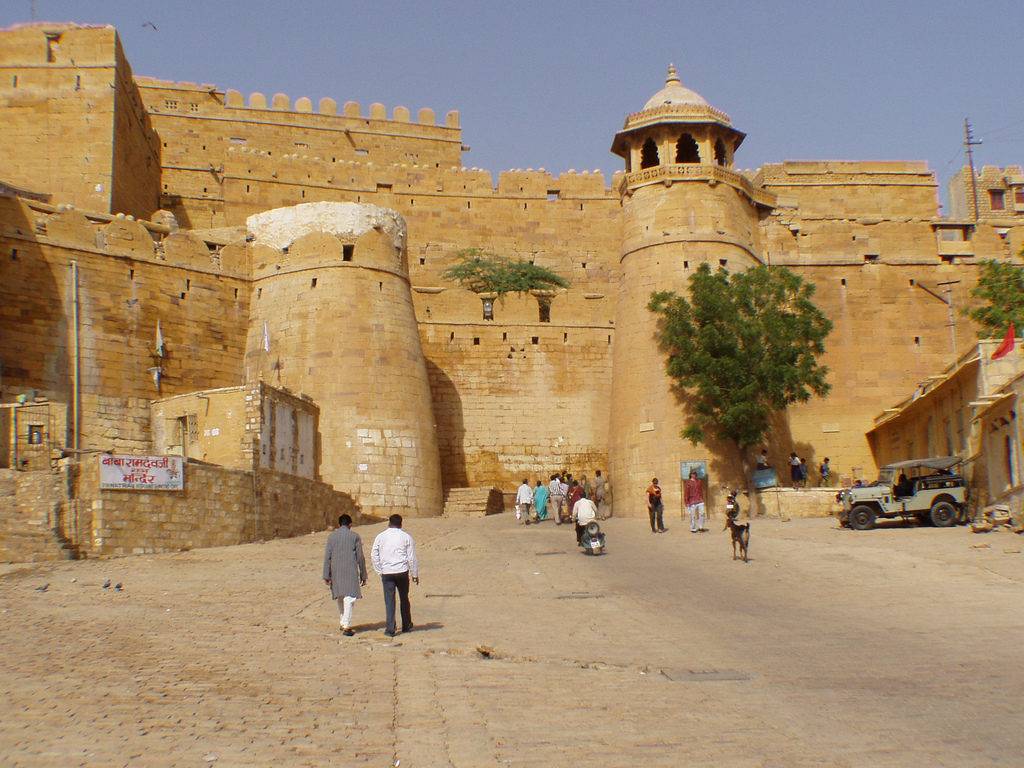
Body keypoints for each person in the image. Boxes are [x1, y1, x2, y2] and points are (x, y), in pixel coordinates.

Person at [370, 514, 419, 637]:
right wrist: (414, 574)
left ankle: (390, 629)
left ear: (389, 523)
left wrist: (379, 570)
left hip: (387, 572)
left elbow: (373, 555)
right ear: (401, 524)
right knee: (404, 598)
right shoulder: (406, 537)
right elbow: (411, 558)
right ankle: (406, 624)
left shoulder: (380, 536)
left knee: (389, 600)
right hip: (402, 571)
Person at [322, 513, 367, 636]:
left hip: (336, 571)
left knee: (340, 596)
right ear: (350, 524)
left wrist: (326, 574)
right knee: (350, 597)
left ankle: (343, 621)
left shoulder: (332, 537)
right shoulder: (355, 536)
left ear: (339, 524)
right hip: (350, 571)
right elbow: (360, 558)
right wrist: (364, 574)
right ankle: (346, 625)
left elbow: (327, 557)